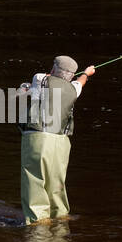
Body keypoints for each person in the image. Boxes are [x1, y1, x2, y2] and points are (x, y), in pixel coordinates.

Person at [17, 55, 96, 224]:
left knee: (35, 178)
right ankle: (60, 216)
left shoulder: (40, 78)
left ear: (54, 69)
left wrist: (27, 88)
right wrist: (87, 73)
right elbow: (81, 81)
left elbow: (45, 78)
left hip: (37, 138)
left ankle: (37, 220)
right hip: (61, 142)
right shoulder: (74, 88)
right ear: (71, 75)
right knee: (56, 180)